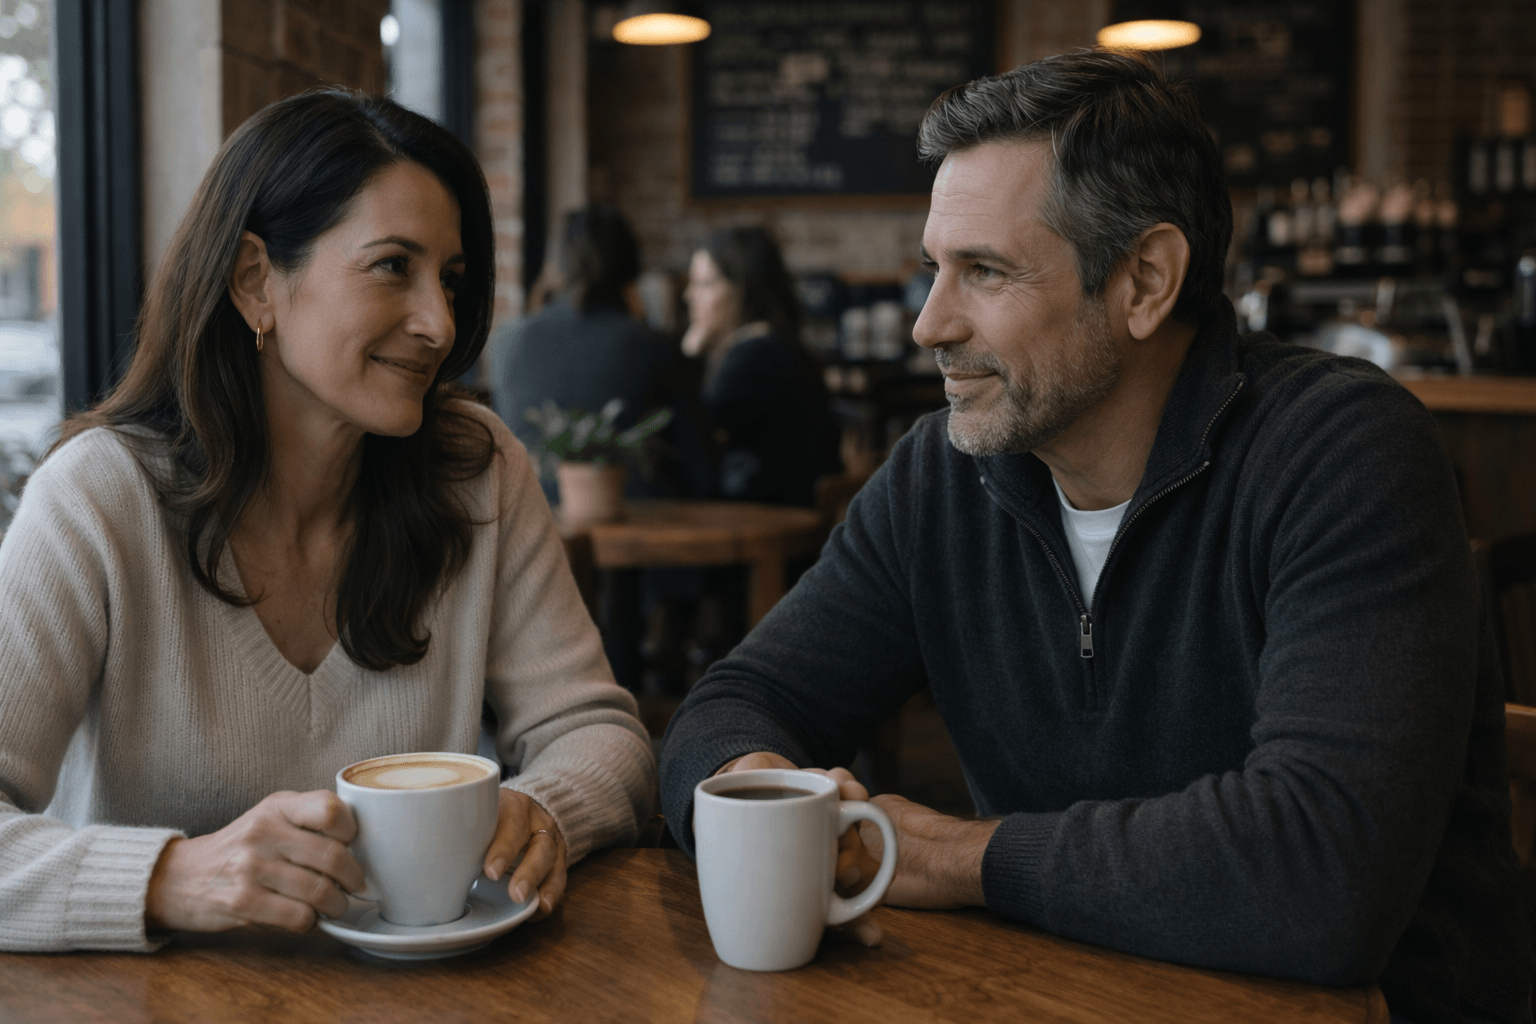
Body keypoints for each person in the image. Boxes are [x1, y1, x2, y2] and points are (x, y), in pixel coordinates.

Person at [660, 51, 1530, 1024]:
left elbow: (1323, 871)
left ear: (1144, 282)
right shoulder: (941, 479)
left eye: (983, 272)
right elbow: (736, 702)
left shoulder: (1344, 455)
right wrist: (758, 794)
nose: (927, 325)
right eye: (931, 271)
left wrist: (946, 853)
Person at [0, 91, 655, 951]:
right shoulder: (98, 497)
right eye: (393, 266)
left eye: (451, 281)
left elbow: (599, 733)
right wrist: (170, 877)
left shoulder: (477, 474)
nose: (440, 323)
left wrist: (542, 809)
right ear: (255, 280)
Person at [493, 204, 710, 505]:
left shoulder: (507, 340)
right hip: (645, 530)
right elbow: (697, 470)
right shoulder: (656, 346)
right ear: (630, 263)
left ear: (558, 262)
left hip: (534, 523)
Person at [682, 227, 841, 508]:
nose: (688, 295)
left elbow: (691, 431)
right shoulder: (774, 344)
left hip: (776, 524)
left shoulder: (757, 355)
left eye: (704, 284)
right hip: (788, 514)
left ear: (742, 289)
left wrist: (688, 357)